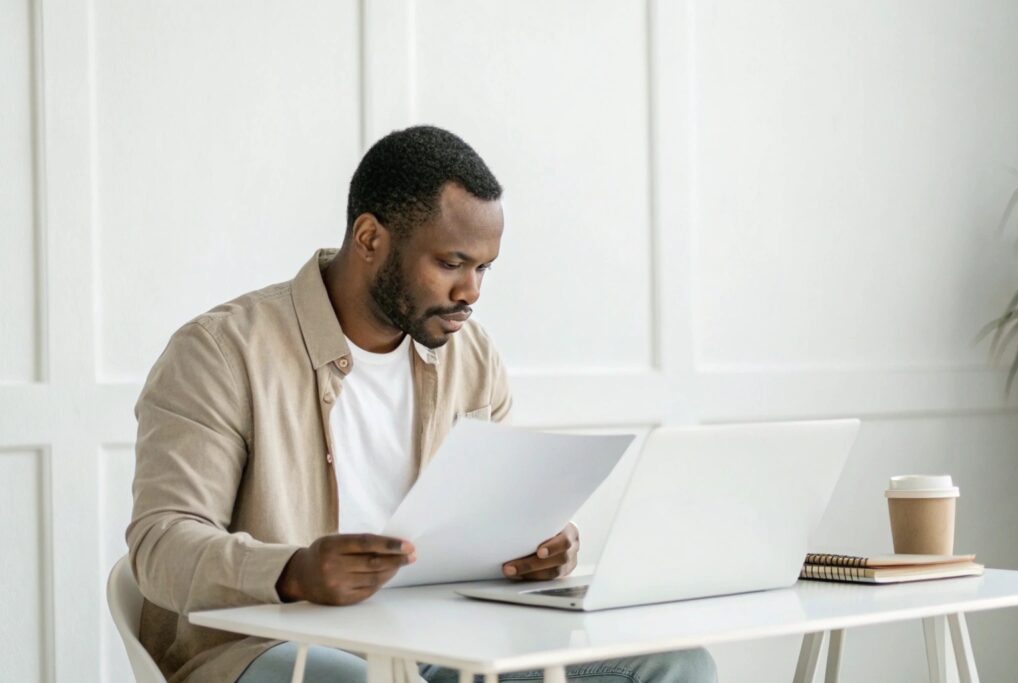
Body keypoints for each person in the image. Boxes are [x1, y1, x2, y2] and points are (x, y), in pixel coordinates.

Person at [128, 125, 717, 683]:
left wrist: (544, 545)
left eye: (483, 268)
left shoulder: (472, 356)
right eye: (451, 263)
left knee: (673, 666)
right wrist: (293, 571)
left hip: (439, 645)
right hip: (268, 652)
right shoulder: (221, 352)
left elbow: (506, 508)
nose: (471, 293)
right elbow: (161, 546)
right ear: (369, 239)